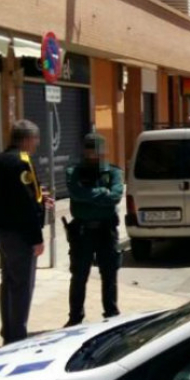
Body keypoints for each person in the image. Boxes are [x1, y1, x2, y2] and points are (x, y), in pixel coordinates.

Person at [0, 120, 52, 345]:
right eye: (35, 139)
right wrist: (37, 237)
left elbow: (10, 195)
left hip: (1, 231)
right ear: (26, 139)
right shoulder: (21, 162)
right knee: (22, 286)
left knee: (8, 283)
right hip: (20, 234)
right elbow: (25, 203)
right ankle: (17, 339)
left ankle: (9, 333)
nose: (37, 143)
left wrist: (40, 197)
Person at [64, 133, 124, 327]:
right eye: (89, 150)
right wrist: (102, 193)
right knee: (80, 275)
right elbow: (76, 193)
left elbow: (115, 196)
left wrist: (91, 195)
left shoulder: (113, 172)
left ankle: (111, 314)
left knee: (109, 274)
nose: (92, 155)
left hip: (106, 232)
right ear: (84, 151)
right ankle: (75, 317)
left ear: (103, 151)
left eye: (96, 150)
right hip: (82, 232)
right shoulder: (74, 172)